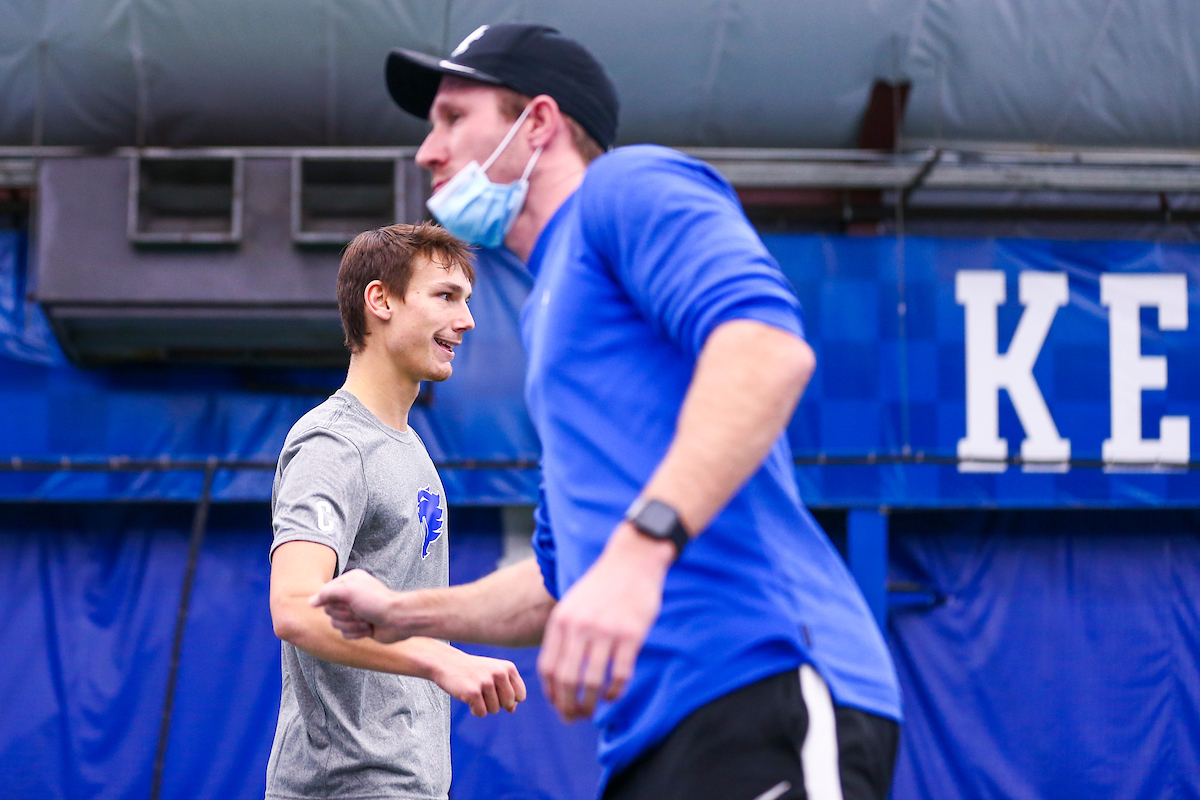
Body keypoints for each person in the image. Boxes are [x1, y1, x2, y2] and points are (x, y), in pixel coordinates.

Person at [313, 24, 901, 800]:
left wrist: (640, 550)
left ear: (540, 124)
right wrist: (400, 612)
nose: (428, 149)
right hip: (652, 740)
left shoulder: (628, 186)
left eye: (455, 118)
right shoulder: (549, 310)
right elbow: (563, 582)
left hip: (766, 678)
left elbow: (767, 350)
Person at [266, 223, 527, 800]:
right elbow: (292, 609)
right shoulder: (332, 445)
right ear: (381, 300)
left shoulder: (409, 448)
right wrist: (437, 658)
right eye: (445, 296)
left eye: (467, 300)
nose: (468, 320)